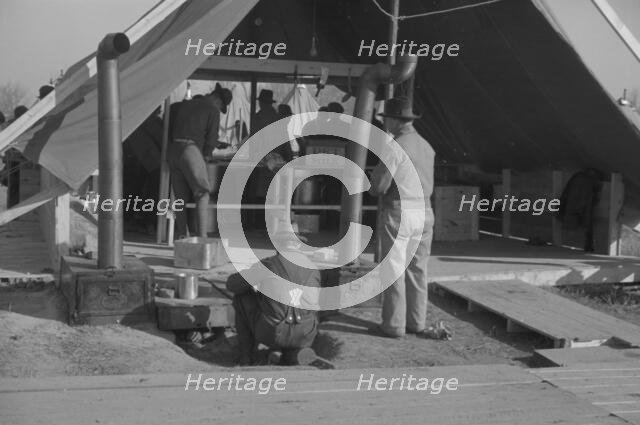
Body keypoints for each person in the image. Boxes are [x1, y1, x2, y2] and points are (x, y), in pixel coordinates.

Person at [368, 96, 449, 340]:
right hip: (425, 212)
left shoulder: (395, 146)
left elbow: (379, 186)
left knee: (394, 268)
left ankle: (393, 325)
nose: (385, 125)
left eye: (386, 120)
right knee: (418, 269)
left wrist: (371, 183)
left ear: (394, 120)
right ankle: (417, 322)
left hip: (399, 211)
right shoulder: (426, 145)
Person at [226, 228, 321, 365]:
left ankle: (246, 357)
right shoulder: (314, 269)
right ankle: (290, 353)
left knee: (242, 298)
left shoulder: (269, 264)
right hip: (305, 334)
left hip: (272, 333)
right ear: (299, 245)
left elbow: (233, 285)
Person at [169, 83, 232, 238]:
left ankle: (182, 235)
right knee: (202, 193)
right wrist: (206, 156)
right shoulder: (212, 110)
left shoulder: (186, 105)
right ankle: (202, 237)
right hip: (190, 151)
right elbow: (210, 140)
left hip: (174, 150)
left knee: (180, 198)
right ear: (217, 100)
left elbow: (189, 129)